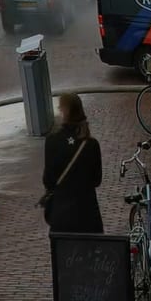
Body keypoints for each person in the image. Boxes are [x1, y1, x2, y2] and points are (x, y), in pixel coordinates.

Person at [42, 93, 104, 234]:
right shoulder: (91, 144)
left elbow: (48, 180)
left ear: (64, 111)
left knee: (62, 255)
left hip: (62, 218)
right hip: (88, 217)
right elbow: (96, 180)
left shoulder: (52, 141)